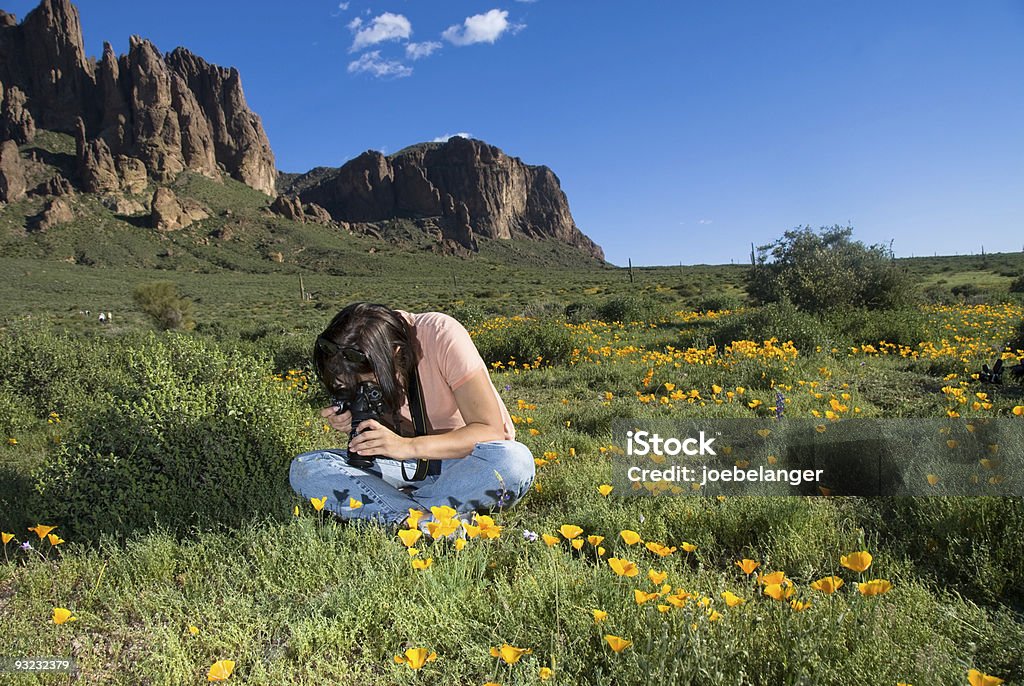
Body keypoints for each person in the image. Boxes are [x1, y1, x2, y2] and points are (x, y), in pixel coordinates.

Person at [289, 302, 535, 526]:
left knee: (515, 462)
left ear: (395, 354)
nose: (359, 387)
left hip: (463, 465)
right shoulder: (353, 357)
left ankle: (393, 510)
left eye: (366, 382)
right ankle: (425, 520)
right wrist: (355, 418)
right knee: (307, 467)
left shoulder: (441, 334)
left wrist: (407, 446)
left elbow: (491, 430)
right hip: (402, 467)